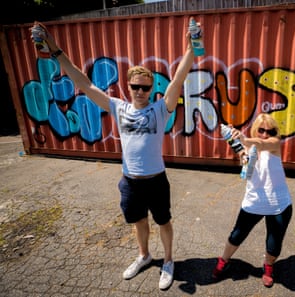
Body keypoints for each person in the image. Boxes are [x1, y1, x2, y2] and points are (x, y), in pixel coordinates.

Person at [30, 20, 195, 290]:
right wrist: (55, 49)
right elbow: (82, 82)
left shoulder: (160, 108)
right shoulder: (118, 107)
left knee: (163, 220)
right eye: (135, 87)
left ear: (151, 89)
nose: (140, 92)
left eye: (145, 87)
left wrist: (190, 49)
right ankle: (144, 255)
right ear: (128, 87)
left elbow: (178, 78)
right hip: (130, 181)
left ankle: (168, 261)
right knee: (138, 220)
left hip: (156, 180)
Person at [212, 113, 293, 287]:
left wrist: (245, 139)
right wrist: (235, 140)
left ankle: (268, 266)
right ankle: (223, 261)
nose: (265, 134)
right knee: (236, 235)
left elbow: (262, 143)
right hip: (254, 201)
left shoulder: (274, 144)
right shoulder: (247, 146)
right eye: (261, 130)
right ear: (255, 129)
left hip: (278, 203)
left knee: (274, 243)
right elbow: (244, 158)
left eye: (270, 131)